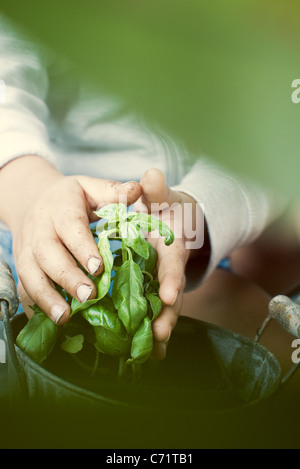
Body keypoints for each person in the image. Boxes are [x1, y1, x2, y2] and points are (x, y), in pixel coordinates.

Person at [0, 12, 286, 360]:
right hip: (26, 210)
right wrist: (29, 191)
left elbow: (276, 127)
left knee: (255, 347)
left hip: (177, 232)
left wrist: (195, 214)